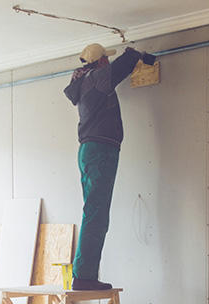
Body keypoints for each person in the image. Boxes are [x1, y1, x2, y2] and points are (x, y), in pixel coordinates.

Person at [63, 43, 156, 291]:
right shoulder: (96, 78)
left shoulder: (83, 81)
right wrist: (137, 53)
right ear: (101, 61)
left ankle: (85, 274)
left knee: (93, 212)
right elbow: (121, 67)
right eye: (106, 59)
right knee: (96, 214)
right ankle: (84, 277)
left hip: (90, 150)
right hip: (100, 151)